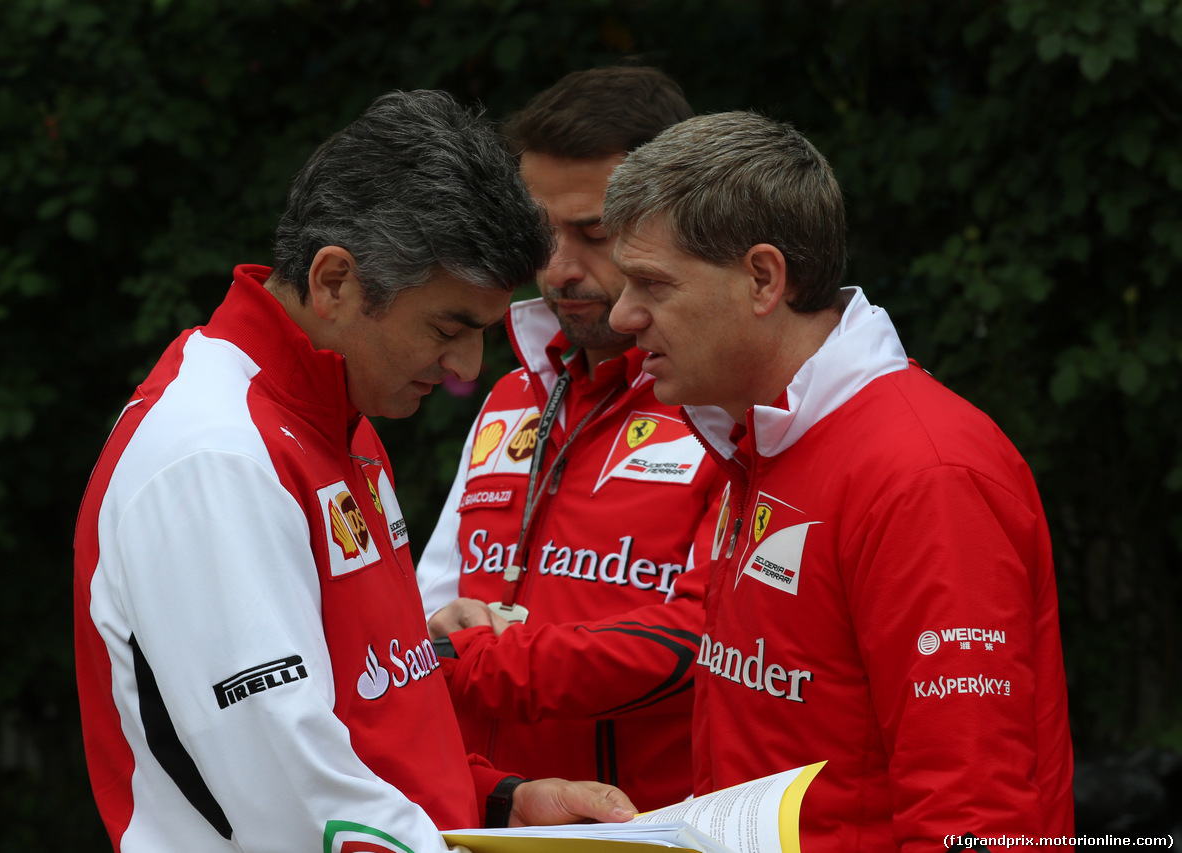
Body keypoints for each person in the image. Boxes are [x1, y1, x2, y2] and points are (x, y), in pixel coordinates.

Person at [73, 90, 635, 853]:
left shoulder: (340, 421)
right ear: (335, 280)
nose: (467, 366)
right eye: (449, 327)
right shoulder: (216, 454)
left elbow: (379, 707)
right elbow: (295, 798)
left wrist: (499, 802)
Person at [602, 111, 1075, 849]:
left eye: (651, 284)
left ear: (763, 278)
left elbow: (973, 815)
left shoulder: (925, 473)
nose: (623, 314)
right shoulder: (761, 438)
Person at [416, 65, 723, 811]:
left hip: (646, 825)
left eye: (593, 234)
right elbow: (423, 613)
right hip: (489, 813)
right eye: (540, 231)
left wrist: (481, 657)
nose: (557, 269)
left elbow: (710, 632)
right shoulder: (510, 396)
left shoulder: (726, 406)